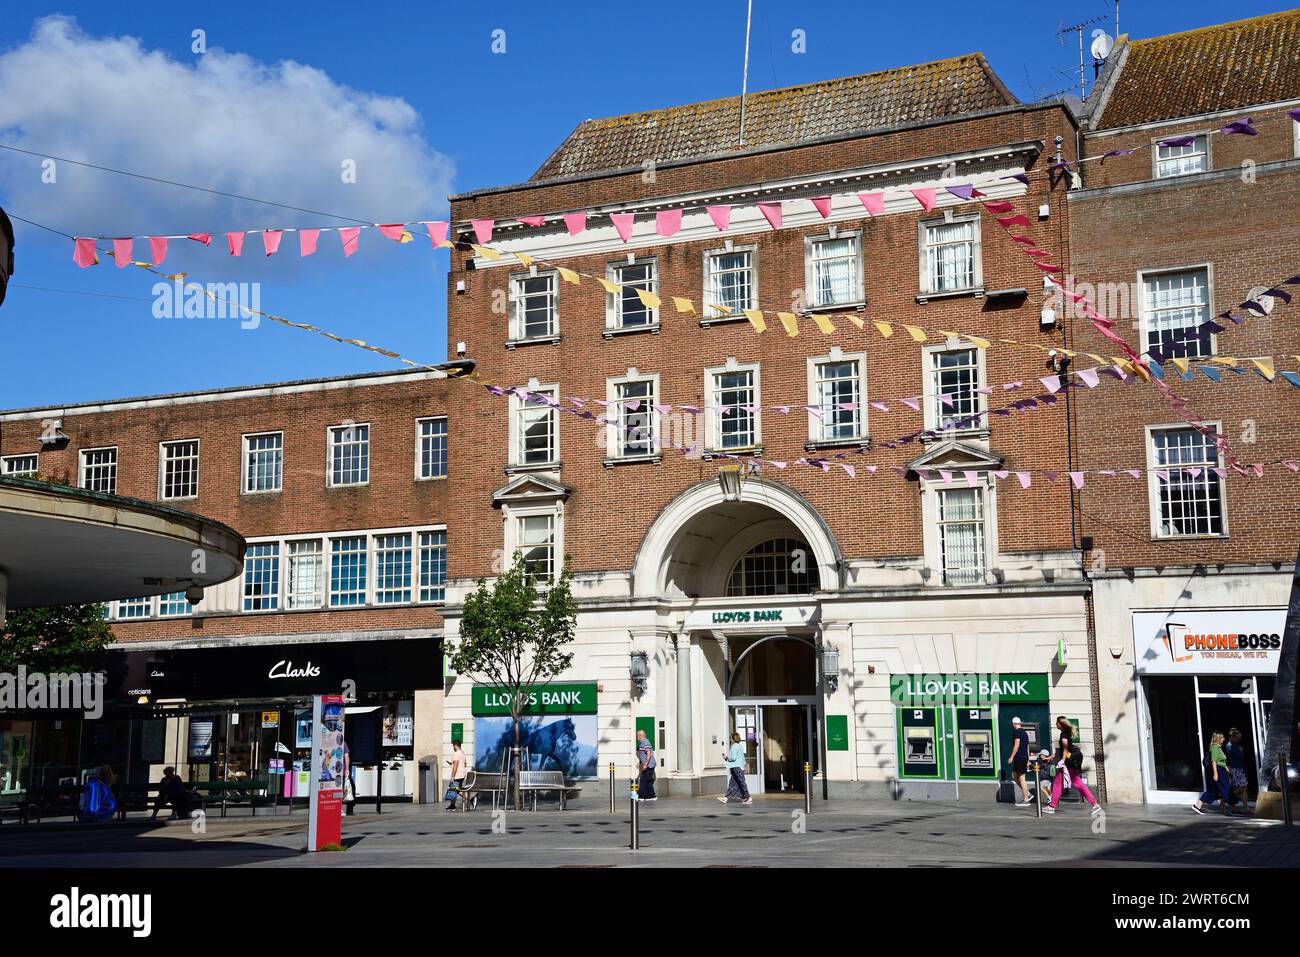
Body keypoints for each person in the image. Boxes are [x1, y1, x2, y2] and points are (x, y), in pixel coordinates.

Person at [1043, 717, 1101, 815]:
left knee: (1057, 785)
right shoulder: (1067, 734)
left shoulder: (1064, 735)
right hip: (1069, 765)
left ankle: (1051, 806)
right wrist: (1053, 756)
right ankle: (1095, 804)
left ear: (1061, 724)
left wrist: (1062, 761)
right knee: (1078, 784)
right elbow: (1064, 749)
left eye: (1057, 723)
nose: (1055, 724)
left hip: (1066, 765)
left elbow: (1065, 749)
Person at [1193, 732, 1231, 815]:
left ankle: (1198, 805)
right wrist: (1216, 774)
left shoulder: (1218, 747)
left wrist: (1226, 767)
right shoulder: (1214, 748)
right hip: (1218, 771)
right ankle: (1230, 807)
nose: (1224, 739)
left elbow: (1221, 761)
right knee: (1226, 788)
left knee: (1214, 790)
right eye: (1222, 737)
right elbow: (1214, 761)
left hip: (1221, 770)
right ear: (1218, 739)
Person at [718, 732, 752, 805]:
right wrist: (744, 766)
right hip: (739, 767)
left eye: (731, 738)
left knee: (741, 783)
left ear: (733, 739)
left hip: (736, 767)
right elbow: (742, 757)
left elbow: (733, 758)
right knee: (733, 783)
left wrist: (726, 758)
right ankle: (726, 798)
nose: (731, 739)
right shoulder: (740, 746)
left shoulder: (734, 746)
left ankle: (748, 797)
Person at [1007, 716, 1033, 807]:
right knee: (1014, 775)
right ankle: (1028, 794)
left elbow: (1016, 745)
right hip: (1024, 757)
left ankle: (1026, 800)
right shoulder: (1025, 733)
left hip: (1019, 757)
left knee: (1021, 778)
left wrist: (1011, 757)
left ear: (1013, 724)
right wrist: (1028, 759)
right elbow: (1027, 747)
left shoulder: (1017, 732)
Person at [1224, 728, 1249, 812]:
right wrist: (1241, 751)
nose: (1238, 740)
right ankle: (1226, 798)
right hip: (1234, 768)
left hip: (1239, 768)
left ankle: (1245, 807)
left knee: (1244, 787)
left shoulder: (1235, 745)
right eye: (1237, 738)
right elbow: (1239, 756)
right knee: (1241, 787)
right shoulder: (1229, 745)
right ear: (1232, 737)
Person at [445, 739, 467, 811]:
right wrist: (452, 763)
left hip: (457, 775)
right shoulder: (463, 753)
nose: (453, 747)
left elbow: (456, 765)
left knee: (455, 789)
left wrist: (452, 776)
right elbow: (464, 764)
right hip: (462, 774)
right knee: (456, 789)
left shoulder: (457, 753)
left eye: (453, 746)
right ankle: (452, 805)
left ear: (455, 745)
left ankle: (470, 798)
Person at [635, 729, 656, 801]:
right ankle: (651, 796)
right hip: (650, 765)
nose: (636, 737)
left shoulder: (645, 742)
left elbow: (648, 754)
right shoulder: (643, 743)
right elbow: (643, 755)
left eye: (637, 735)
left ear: (640, 735)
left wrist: (646, 764)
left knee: (643, 780)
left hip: (649, 765)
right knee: (648, 781)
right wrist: (640, 762)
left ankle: (640, 796)